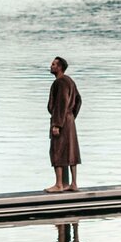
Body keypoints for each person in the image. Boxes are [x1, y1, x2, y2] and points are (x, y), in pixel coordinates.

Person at [45, 56, 81, 192]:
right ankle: (73, 184)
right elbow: (78, 100)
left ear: (60, 67)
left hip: (61, 120)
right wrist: (72, 116)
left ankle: (59, 184)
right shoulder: (70, 81)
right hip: (70, 120)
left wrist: (57, 124)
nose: (51, 66)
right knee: (71, 150)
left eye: (53, 64)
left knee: (57, 150)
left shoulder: (59, 82)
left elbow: (61, 103)